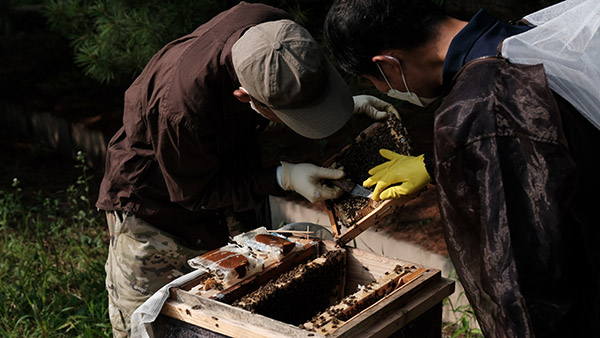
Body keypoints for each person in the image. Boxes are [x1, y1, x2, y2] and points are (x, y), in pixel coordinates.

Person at [96, 2, 398, 337]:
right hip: (161, 212)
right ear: (244, 97)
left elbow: (288, 76)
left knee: (248, 308)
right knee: (157, 324)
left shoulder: (275, 31)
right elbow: (196, 194)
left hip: (223, 176)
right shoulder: (181, 113)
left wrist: (336, 104)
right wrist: (281, 177)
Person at [324, 0, 600, 337]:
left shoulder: (482, 112)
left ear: (388, 65)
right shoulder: (523, 35)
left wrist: (470, 141)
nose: (384, 90)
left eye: (373, 81)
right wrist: (437, 163)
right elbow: (543, 149)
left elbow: (524, 277)